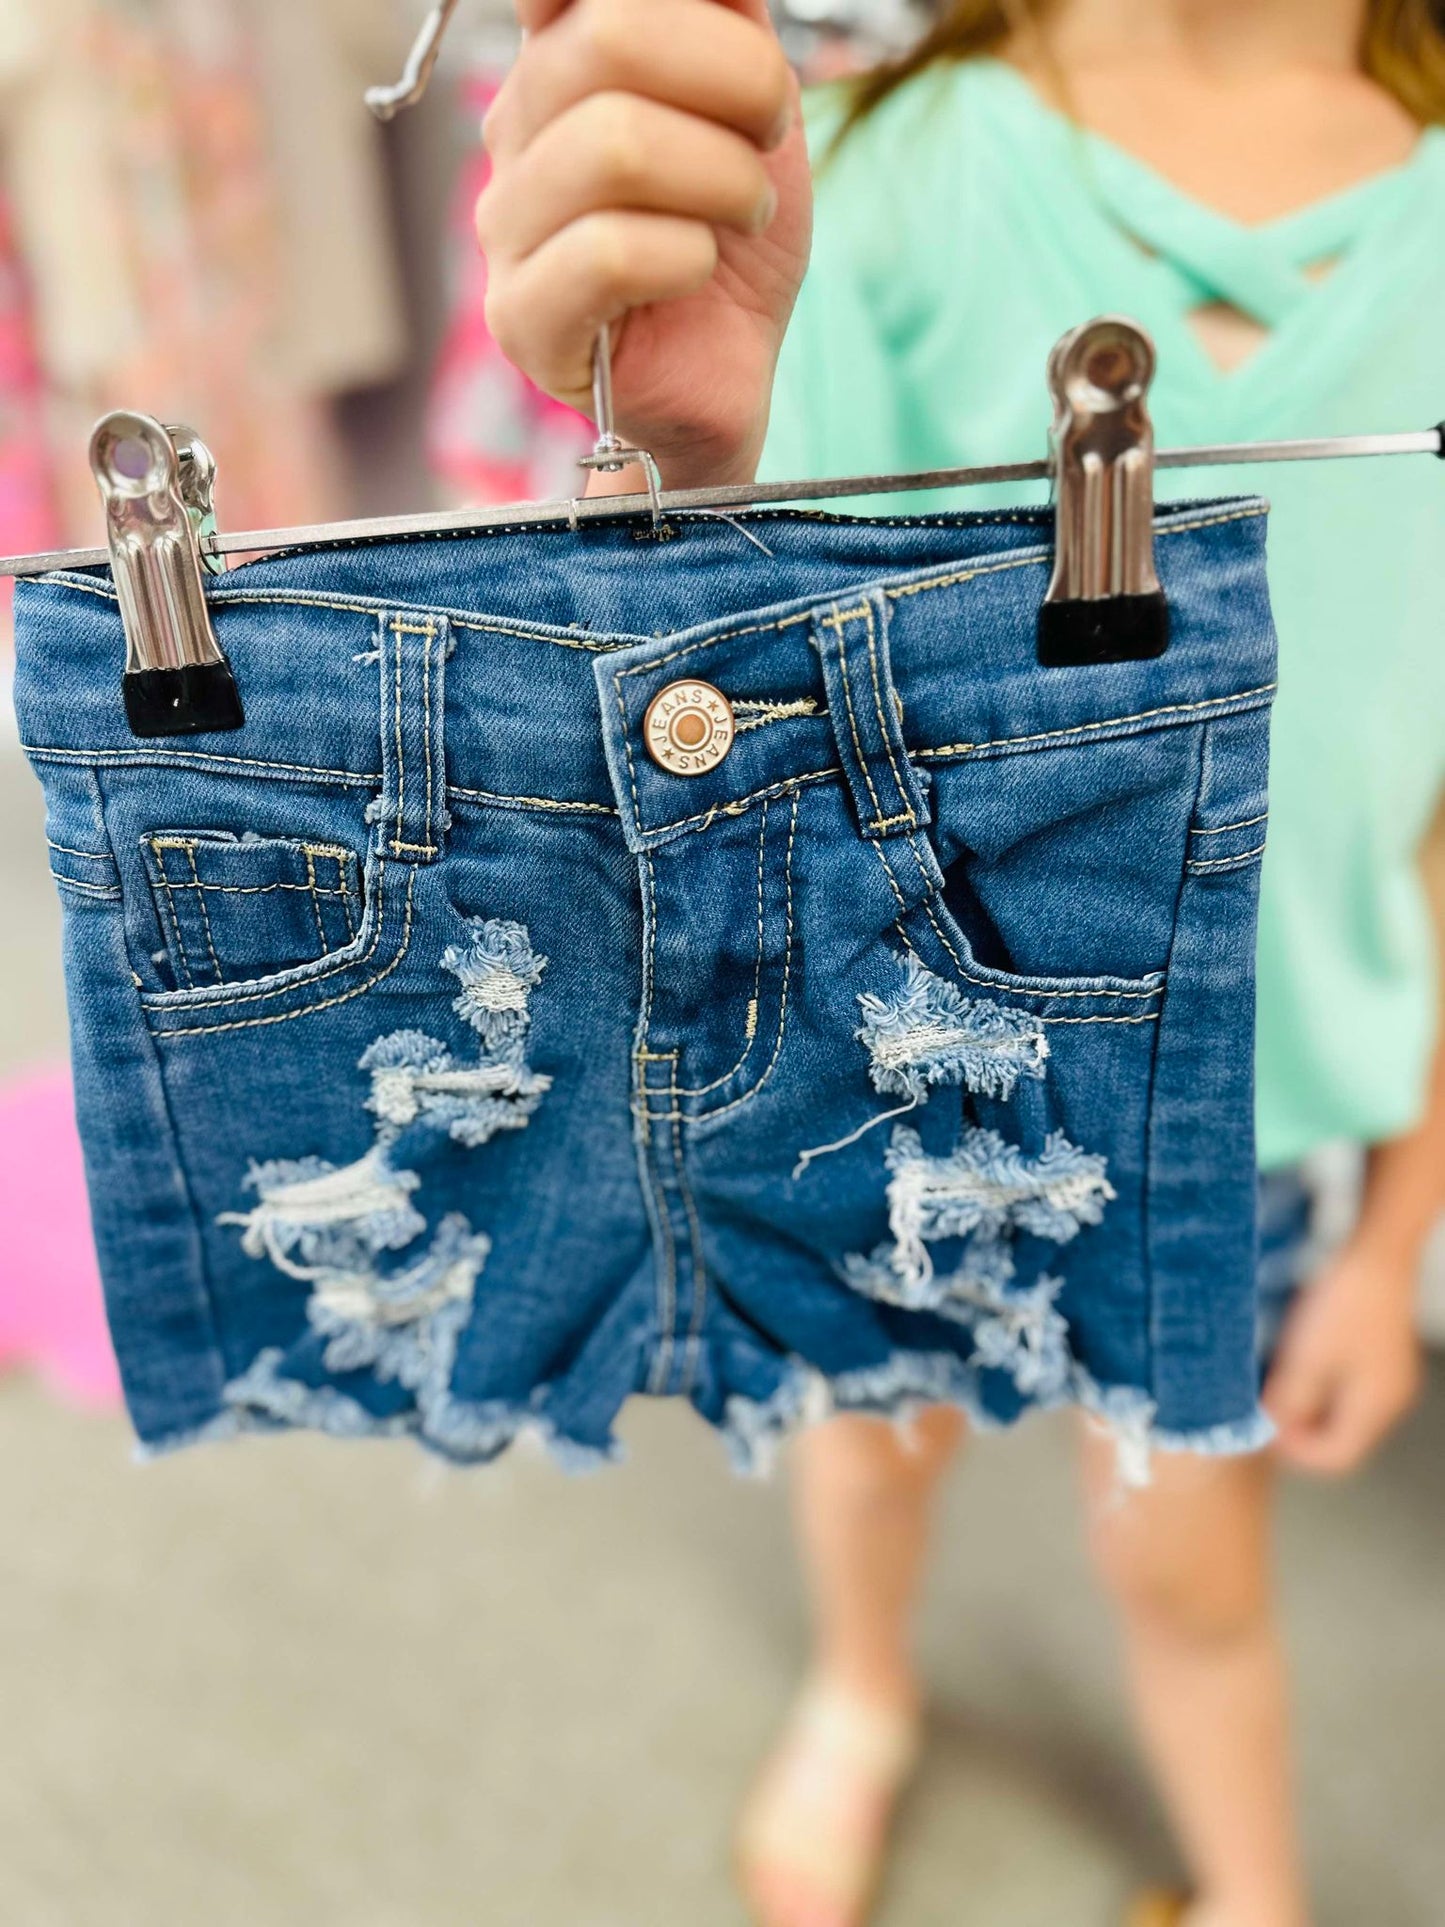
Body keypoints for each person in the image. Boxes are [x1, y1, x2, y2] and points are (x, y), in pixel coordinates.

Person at [476, 3, 1445, 1922]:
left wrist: (1396, 1238)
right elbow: (752, 707)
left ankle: (1255, 1894)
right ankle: (859, 1689)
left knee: (1187, 1564)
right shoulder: (891, 185)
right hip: (901, 1069)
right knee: (875, 1452)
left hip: (1237, 1135)